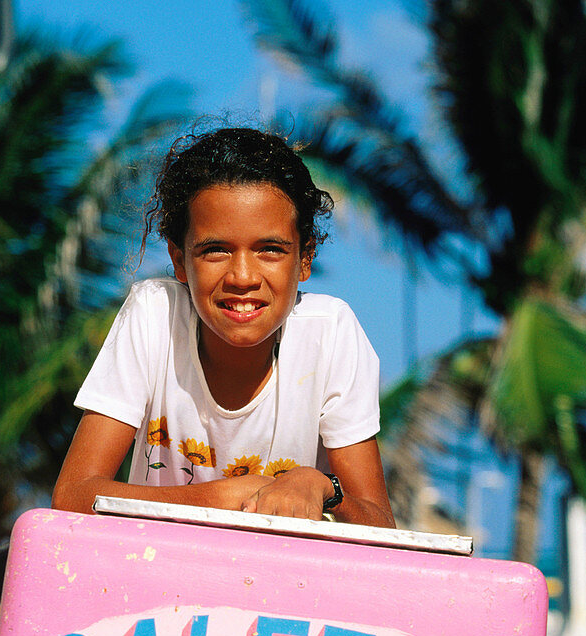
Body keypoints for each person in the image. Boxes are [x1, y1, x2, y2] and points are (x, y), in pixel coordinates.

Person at [52, 126, 395, 528]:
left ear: (305, 259)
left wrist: (320, 486)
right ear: (179, 261)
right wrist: (222, 496)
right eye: (215, 250)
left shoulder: (330, 333)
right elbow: (72, 495)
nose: (242, 276)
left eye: (270, 249)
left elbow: (380, 523)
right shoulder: (154, 315)